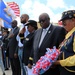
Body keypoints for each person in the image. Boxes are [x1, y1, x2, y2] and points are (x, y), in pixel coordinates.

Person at [54, 10, 75, 75]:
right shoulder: (69, 34)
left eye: (64, 22)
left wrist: (60, 62)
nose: (63, 25)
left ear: (73, 20)